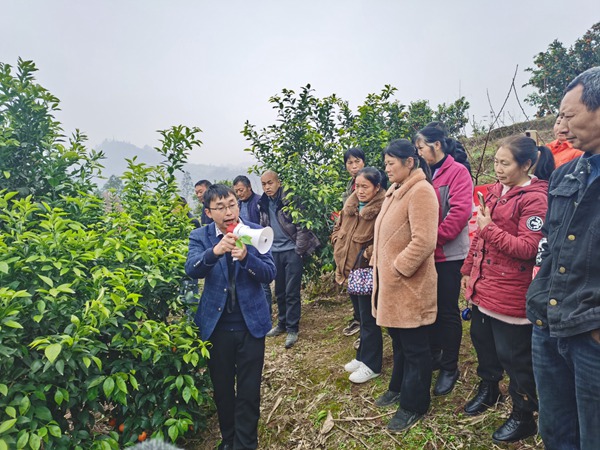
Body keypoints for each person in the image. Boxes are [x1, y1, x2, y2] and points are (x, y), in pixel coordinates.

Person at [461, 136, 554, 443]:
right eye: (495, 162)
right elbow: (480, 236)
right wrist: (467, 271)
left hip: (512, 292)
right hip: (485, 287)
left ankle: (524, 413)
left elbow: (528, 248)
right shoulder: (496, 192)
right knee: (483, 344)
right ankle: (489, 389)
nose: (497, 169)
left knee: (515, 357)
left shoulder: (534, 198)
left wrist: (491, 229)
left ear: (526, 165)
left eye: (505, 163)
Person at [526, 66, 600, 450]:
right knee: (556, 430)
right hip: (549, 320)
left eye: (569, 115)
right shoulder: (567, 172)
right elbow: (551, 245)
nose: (561, 125)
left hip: (592, 332)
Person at [185, 184, 276, 450]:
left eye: (232, 204)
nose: (228, 212)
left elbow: (269, 273)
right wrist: (214, 252)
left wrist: (247, 257)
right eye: (221, 207)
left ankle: (246, 444)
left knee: (249, 391)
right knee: (223, 390)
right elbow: (192, 269)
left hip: (250, 325)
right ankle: (229, 439)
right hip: (217, 328)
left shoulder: (254, 232)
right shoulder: (200, 236)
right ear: (208, 212)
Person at [371, 139, 438, 432]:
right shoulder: (395, 191)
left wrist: (398, 267)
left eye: (391, 164)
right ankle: (397, 387)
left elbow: (424, 240)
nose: (387, 169)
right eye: (385, 164)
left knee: (415, 347)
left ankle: (414, 404)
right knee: (399, 341)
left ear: (410, 162)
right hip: (391, 284)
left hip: (409, 285)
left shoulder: (421, 191)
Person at [414, 125, 473, 396]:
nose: (419, 153)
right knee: (431, 306)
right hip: (427, 254)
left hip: (449, 254)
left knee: (448, 310)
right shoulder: (424, 174)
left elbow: (459, 213)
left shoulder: (458, 172)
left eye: (421, 148)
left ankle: (450, 366)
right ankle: (437, 354)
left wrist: (431, 240)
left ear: (437, 145)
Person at [331, 167, 385, 384]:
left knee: (370, 320)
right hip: (349, 271)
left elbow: (383, 238)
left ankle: (372, 365)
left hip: (366, 271)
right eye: (358, 186)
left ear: (377, 187)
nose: (360, 191)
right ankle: (362, 357)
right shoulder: (350, 206)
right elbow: (338, 228)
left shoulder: (381, 209)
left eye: (366, 186)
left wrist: (368, 254)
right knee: (361, 318)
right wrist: (336, 240)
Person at [259, 170, 320, 349]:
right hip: (275, 251)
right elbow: (263, 226)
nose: (267, 187)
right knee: (279, 291)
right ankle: (282, 324)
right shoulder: (262, 203)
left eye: (270, 183)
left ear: (278, 182)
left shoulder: (290, 200)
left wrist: (299, 250)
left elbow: (302, 226)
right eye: (263, 184)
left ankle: (292, 328)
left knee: (292, 291)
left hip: (292, 251)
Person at [341, 147, 366, 341]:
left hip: (364, 241)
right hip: (348, 242)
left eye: (357, 161)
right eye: (350, 163)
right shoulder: (350, 186)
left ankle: (367, 325)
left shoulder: (371, 181)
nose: (354, 166)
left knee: (364, 284)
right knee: (352, 281)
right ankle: (358, 319)